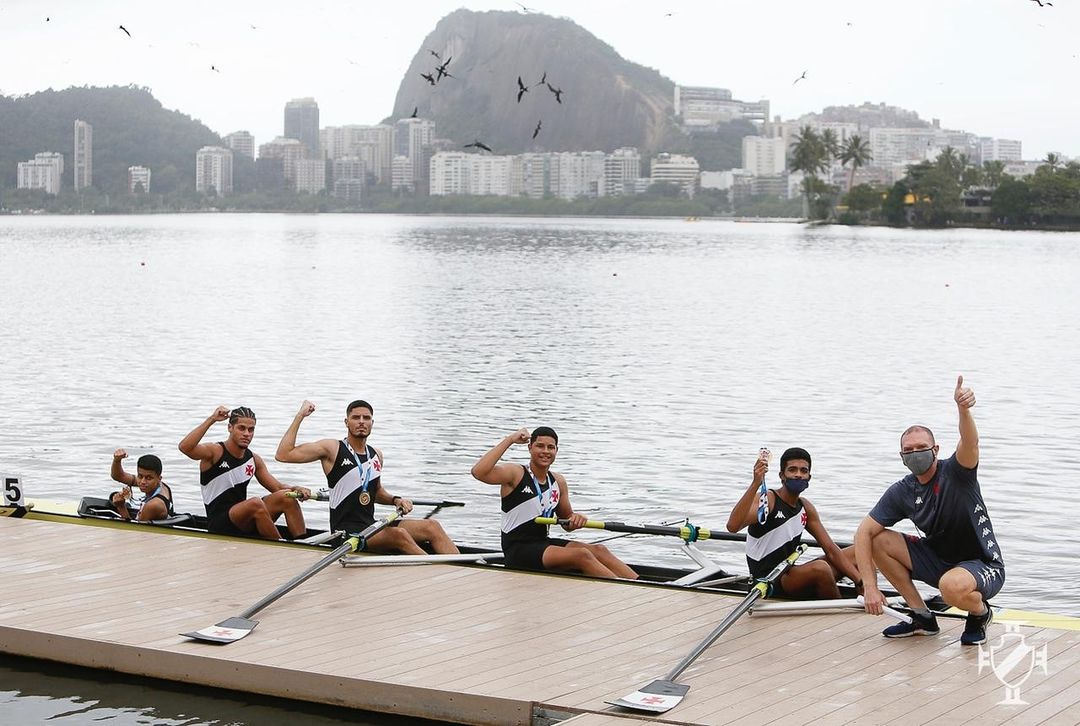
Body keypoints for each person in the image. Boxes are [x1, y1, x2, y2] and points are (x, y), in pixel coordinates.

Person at [856, 376, 1003, 646]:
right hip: (939, 560)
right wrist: (870, 587)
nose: (915, 453)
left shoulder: (957, 472)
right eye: (908, 450)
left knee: (950, 587)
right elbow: (863, 532)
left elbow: (970, 442)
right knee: (877, 539)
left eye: (921, 448)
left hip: (982, 565)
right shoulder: (902, 490)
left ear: (936, 449)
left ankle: (980, 613)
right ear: (902, 457)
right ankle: (922, 617)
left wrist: (963, 410)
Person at [275, 399, 459, 554]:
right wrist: (300, 416)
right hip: (346, 533)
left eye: (366, 418)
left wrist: (396, 500)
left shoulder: (376, 455)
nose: (361, 422)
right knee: (399, 535)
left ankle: (463, 567)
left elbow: (376, 492)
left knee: (432, 526)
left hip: (370, 525)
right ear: (346, 422)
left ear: (372, 422)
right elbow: (283, 454)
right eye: (356, 418)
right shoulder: (332, 449)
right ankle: (438, 570)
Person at [471, 426, 638, 579]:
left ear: (556, 450)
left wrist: (576, 519)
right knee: (582, 555)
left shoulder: (558, 482)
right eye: (540, 446)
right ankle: (625, 589)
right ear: (530, 448)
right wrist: (510, 440)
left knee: (600, 550)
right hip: (518, 549)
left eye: (550, 447)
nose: (545, 451)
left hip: (543, 543)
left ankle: (640, 583)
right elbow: (478, 472)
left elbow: (567, 521)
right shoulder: (516, 473)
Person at [726, 447, 861, 598]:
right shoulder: (769, 499)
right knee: (821, 569)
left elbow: (830, 549)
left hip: (790, 571)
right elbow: (733, 526)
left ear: (809, 477)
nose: (798, 475)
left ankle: (866, 593)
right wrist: (755, 483)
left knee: (860, 552)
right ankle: (839, 608)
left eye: (804, 471)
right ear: (782, 475)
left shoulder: (805, 507)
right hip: (768, 581)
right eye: (792, 470)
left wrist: (860, 582)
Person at [178, 405, 311, 540]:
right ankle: (282, 546)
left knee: (287, 497)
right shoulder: (215, 452)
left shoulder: (254, 460)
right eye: (241, 428)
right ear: (230, 428)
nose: (247, 434)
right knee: (255, 503)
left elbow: (277, 487)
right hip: (219, 524)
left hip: (243, 520)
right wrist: (212, 419)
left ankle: (304, 543)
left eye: (251, 429)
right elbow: (185, 447)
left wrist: (296, 488)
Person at [108, 449, 175, 521]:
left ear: (159, 478)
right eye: (140, 476)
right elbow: (118, 476)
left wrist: (121, 506)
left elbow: (134, 528)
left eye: (148, 478)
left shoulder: (153, 505)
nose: (142, 482)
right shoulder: (161, 486)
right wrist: (117, 460)